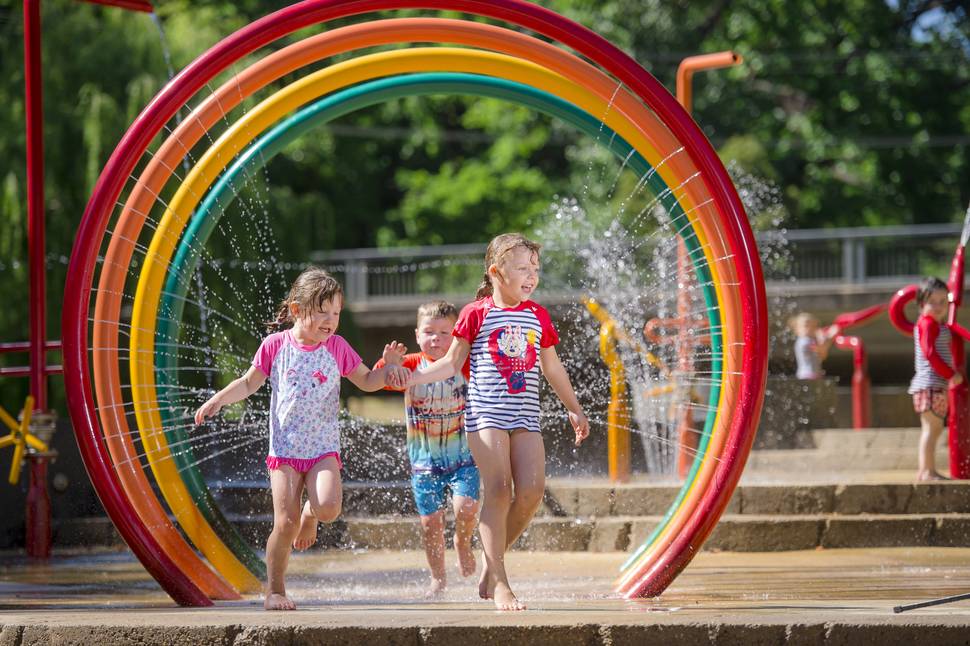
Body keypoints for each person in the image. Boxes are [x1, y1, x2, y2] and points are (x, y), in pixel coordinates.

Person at [194, 267, 409, 611]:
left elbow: (367, 380)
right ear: (296, 310)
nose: (330, 320)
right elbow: (249, 383)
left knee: (328, 507)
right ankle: (275, 589)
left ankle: (311, 512)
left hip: (323, 448)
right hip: (285, 451)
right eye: (322, 312)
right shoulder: (276, 345)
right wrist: (219, 398)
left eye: (336, 313)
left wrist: (388, 369)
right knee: (285, 523)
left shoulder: (337, 347)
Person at [405, 233, 590, 611]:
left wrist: (574, 407)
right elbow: (451, 363)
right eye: (522, 268)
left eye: (535, 269)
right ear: (495, 272)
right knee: (499, 490)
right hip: (486, 415)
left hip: (525, 416)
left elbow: (551, 366)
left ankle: (492, 560)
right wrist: (413, 377)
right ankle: (502, 583)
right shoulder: (477, 312)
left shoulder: (537, 315)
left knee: (532, 491)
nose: (531, 275)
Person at [375, 301, 480, 597]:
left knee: (466, 508)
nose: (437, 338)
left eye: (446, 332)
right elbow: (379, 378)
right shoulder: (410, 365)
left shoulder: (464, 364)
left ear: (457, 335)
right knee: (431, 523)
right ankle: (438, 578)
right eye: (429, 332)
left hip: (464, 457)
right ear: (417, 334)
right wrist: (390, 364)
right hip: (424, 462)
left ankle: (462, 540)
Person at [908, 276, 970, 482]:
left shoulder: (934, 324)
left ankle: (927, 470)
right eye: (932, 302)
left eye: (943, 302)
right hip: (929, 384)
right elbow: (930, 353)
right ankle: (927, 471)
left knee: (933, 428)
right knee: (931, 428)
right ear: (921, 304)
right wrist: (951, 375)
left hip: (933, 384)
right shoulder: (927, 324)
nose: (938, 306)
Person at [790, 312, 835, 380]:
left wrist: (824, 340)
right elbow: (821, 349)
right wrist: (830, 336)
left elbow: (823, 356)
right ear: (797, 329)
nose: (810, 329)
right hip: (807, 375)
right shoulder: (804, 341)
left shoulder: (811, 340)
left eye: (814, 326)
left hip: (814, 374)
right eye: (806, 325)